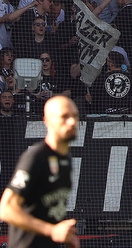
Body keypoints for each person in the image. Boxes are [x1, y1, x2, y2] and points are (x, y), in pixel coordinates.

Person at [0, 95, 80, 248]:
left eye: (75, 116)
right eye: (64, 117)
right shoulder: (36, 157)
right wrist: (51, 231)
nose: (72, 121)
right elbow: (6, 209)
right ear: (47, 121)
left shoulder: (66, 159)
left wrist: (63, 233)